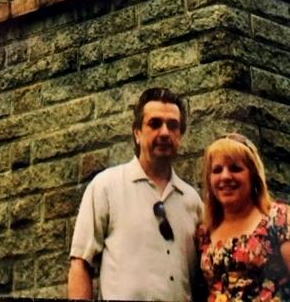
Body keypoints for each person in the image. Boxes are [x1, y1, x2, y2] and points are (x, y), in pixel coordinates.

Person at [68, 87, 203, 301]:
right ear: (137, 132)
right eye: (155, 124)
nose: (165, 132)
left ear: (181, 135)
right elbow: (81, 264)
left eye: (173, 125)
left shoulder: (192, 201)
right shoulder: (106, 186)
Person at [197, 133, 290, 301]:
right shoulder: (206, 232)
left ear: (253, 175)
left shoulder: (282, 220)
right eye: (217, 170)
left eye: (235, 168)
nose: (225, 176)